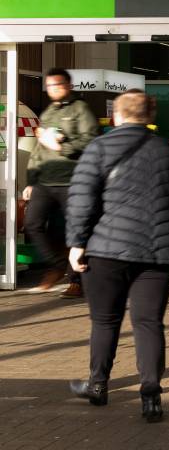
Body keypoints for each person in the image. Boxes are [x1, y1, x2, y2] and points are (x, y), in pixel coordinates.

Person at [66, 90, 169, 423]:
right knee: (148, 323)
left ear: (116, 116)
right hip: (157, 253)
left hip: (106, 251)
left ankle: (98, 385)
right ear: (149, 117)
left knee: (105, 321)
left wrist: (76, 243)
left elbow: (81, 199)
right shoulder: (167, 151)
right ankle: (151, 395)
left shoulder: (98, 148)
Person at [24, 67, 99, 297]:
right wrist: (31, 180)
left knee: (75, 230)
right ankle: (56, 265)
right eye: (49, 86)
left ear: (68, 86)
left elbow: (92, 140)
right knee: (32, 224)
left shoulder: (80, 109)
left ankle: (77, 281)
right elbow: (39, 149)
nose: (52, 89)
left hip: (72, 181)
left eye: (57, 85)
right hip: (45, 181)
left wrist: (63, 146)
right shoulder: (47, 113)